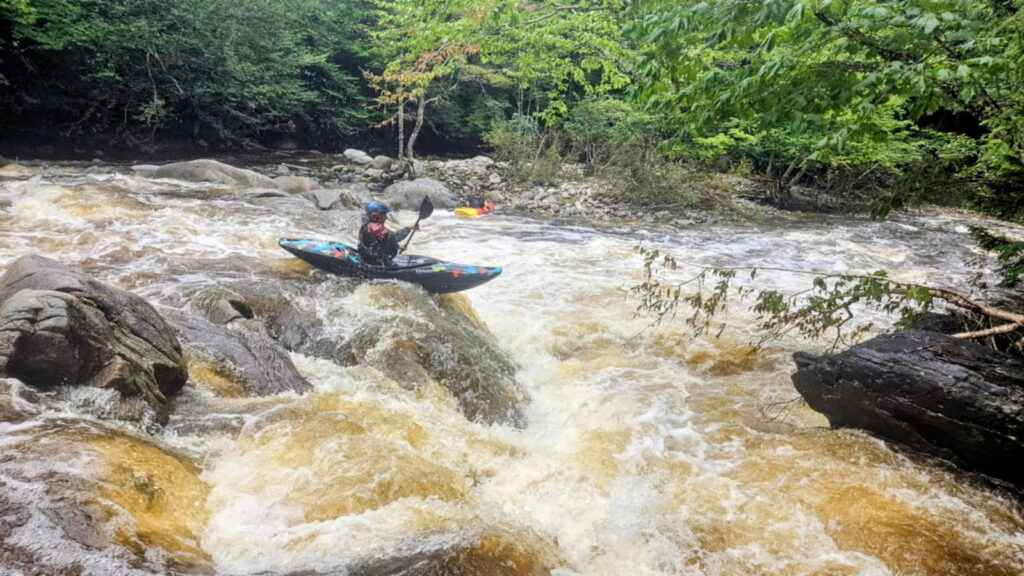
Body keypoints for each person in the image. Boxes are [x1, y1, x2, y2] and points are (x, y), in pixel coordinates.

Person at [357, 201, 417, 266]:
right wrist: (408, 228)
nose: (386, 218)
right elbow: (394, 237)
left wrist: (397, 246)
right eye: (384, 215)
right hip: (374, 262)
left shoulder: (368, 225)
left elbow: (381, 242)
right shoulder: (374, 228)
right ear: (375, 216)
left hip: (369, 257)